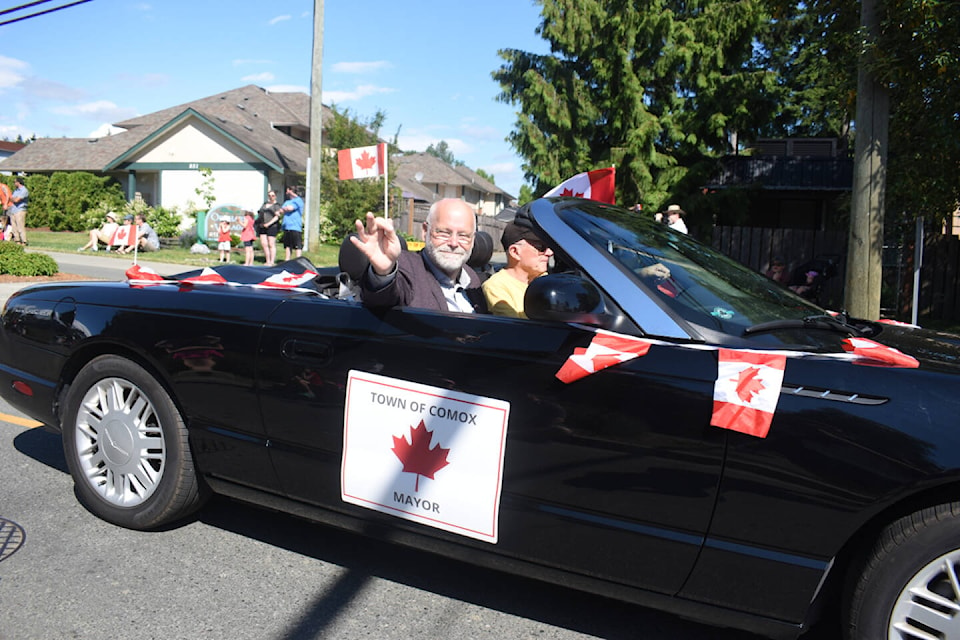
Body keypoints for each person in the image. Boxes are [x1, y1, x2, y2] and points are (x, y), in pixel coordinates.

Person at [352, 197, 487, 313]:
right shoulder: (407, 268)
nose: (453, 243)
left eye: (463, 236)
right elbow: (383, 299)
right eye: (444, 233)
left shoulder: (471, 278)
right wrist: (383, 272)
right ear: (425, 231)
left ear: (473, 240)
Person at [482, 221, 553, 318]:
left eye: (549, 246)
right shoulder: (495, 287)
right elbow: (517, 331)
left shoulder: (544, 279)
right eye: (541, 247)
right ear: (515, 252)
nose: (550, 252)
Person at [279, 185, 304, 261]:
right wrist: (285, 208)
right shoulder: (287, 202)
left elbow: (290, 208)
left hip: (295, 226)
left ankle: (298, 260)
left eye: (287, 190)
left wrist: (285, 208)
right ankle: (287, 260)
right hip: (287, 226)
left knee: (297, 245)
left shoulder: (298, 200)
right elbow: (281, 210)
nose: (286, 192)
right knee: (287, 245)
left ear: (290, 191)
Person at [257, 190, 282, 266]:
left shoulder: (277, 205)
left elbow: (277, 217)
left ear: (275, 196)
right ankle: (267, 260)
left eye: (273, 195)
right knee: (264, 243)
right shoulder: (264, 204)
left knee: (271, 243)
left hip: (272, 226)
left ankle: (272, 261)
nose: (271, 197)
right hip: (262, 225)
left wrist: (269, 223)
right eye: (269, 195)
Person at [8, 176, 28, 246]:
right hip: (13, 210)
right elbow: (11, 198)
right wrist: (13, 199)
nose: (14, 183)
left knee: (20, 226)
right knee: (14, 226)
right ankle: (17, 240)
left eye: (15, 182)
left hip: (20, 210)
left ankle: (24, 241)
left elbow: (16, 200)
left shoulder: (24, 190)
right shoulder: (16, 191)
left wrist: (13, 199)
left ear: (18, 182)